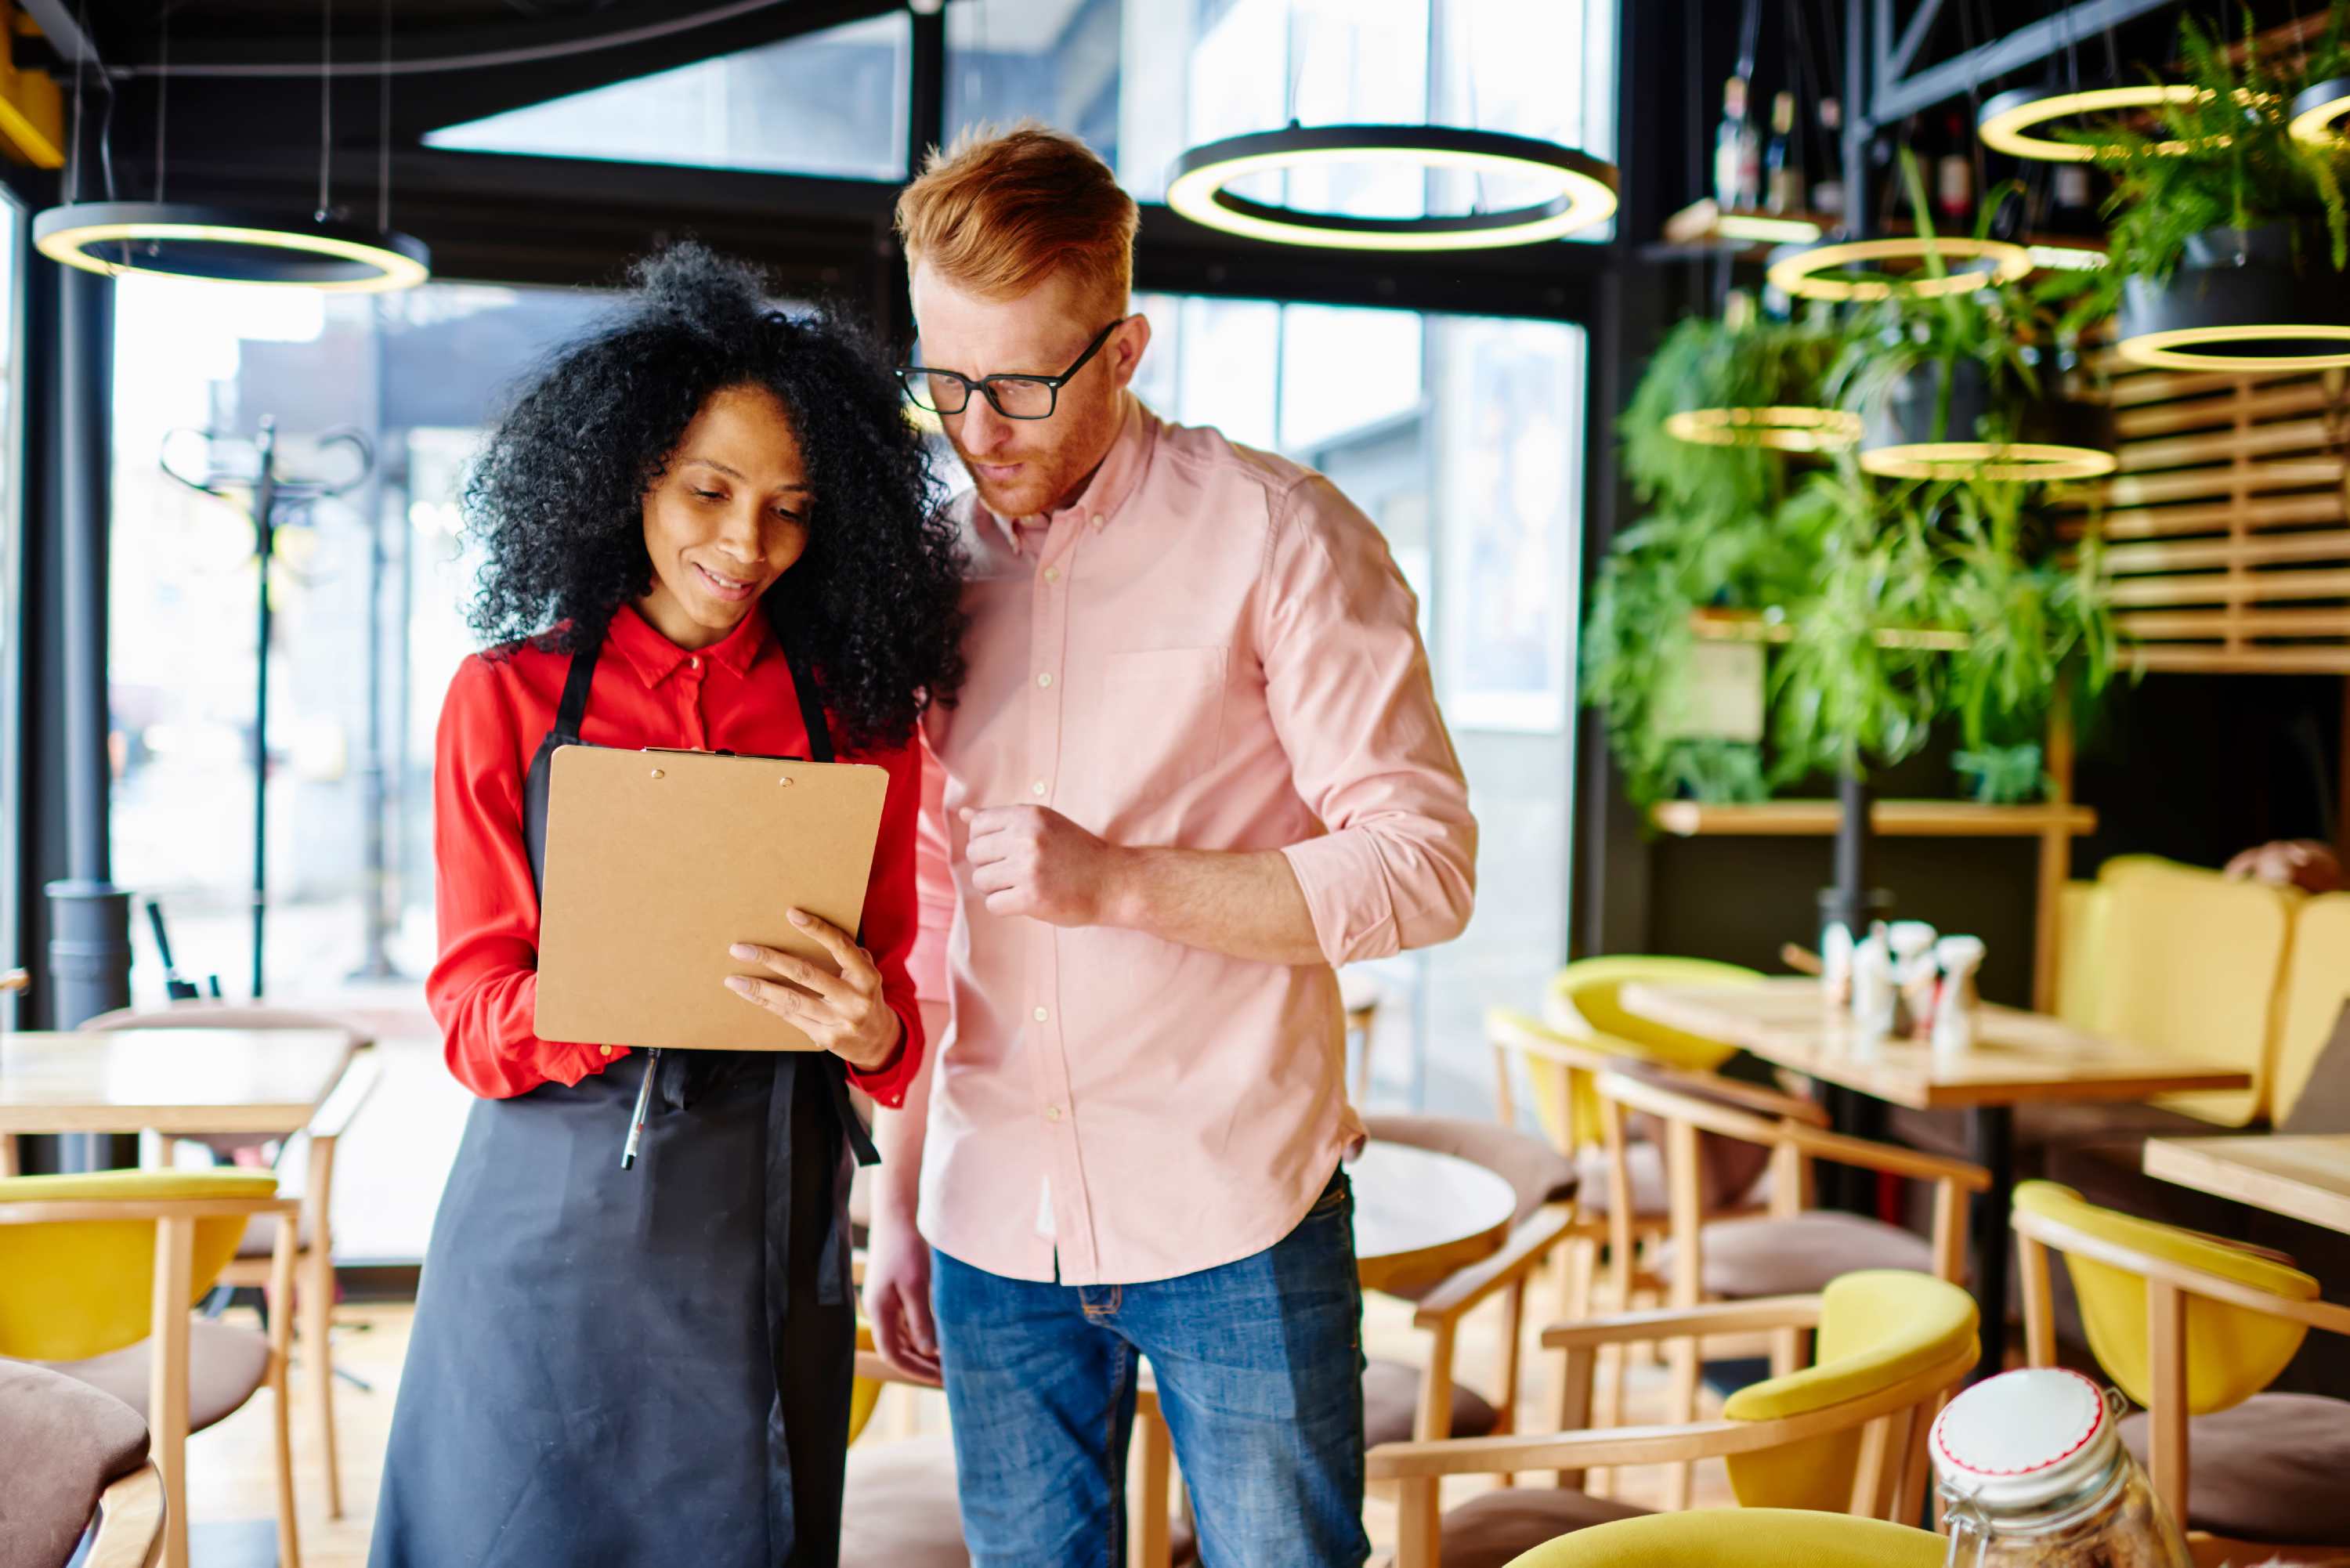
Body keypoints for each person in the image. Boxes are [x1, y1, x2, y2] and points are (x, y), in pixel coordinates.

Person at [862, 125, 1477, 1568]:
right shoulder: (925, 570)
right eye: (944, 380)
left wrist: (1120, 882)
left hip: (1236, 1213)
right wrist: (893, 1199)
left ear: (1128, 346)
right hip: (989, 1225)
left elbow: (1426, 862)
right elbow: (933, 911)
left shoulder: (1282, 537)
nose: (978, 427)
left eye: (1020, 383)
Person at [371, 244, 965, 1568]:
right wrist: (605, 995)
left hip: (760, 1219)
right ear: (632, 472)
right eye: (709, 490)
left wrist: (870, 1028)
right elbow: (472, 1012)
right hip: (544, 1225)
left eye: (793, 510)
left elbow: (895, 1021)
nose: (746, 545)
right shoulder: (509, 698)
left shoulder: (861, 721)